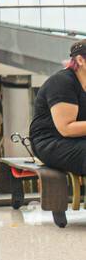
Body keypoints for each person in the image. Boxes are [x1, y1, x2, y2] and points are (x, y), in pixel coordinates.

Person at [28, 39, 86, 177]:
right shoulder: (62, 82)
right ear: (80, 60)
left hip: (78, 140)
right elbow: (66, 128)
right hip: (51, 142)